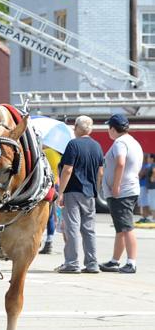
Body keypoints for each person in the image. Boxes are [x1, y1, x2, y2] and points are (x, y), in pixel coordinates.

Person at [53, 116, 104, 273]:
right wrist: (96, 188)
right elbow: (100, 172)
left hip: (73, 191)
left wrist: (60, 192)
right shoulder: (97, 146)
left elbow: (68, 169)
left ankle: (72, 263)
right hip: (89, 192)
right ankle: (92, 263)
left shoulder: (73, 144)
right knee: (89, 229)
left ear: (76, 128)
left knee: (72, 228)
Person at [99, 114, 143, 274]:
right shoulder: (133, 142)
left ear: (112, 128)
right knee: (120, 227)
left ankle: (131, 262)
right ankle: (115, 260)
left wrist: (116, 185)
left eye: (108, 127)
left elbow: (120, 162)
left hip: (122, 192)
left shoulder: (120, 143)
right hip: (128, 189)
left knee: (126, 227)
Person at [39, 145, 63, 255]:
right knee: (52, 215)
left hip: (45, 185)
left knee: (41, 213)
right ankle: (49, 240)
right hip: (57, 185)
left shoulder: (45, 152)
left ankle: (38, 239)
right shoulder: (59, 155)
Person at [136, 153, 154, 223]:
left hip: (144, 186)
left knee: (144, 202)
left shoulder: (147, 166)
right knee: (143, 202)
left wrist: (139, 174)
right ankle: (145, 217)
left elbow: (140, 175)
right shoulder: (144, 166)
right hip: (142, 186)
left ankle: (146, 217)